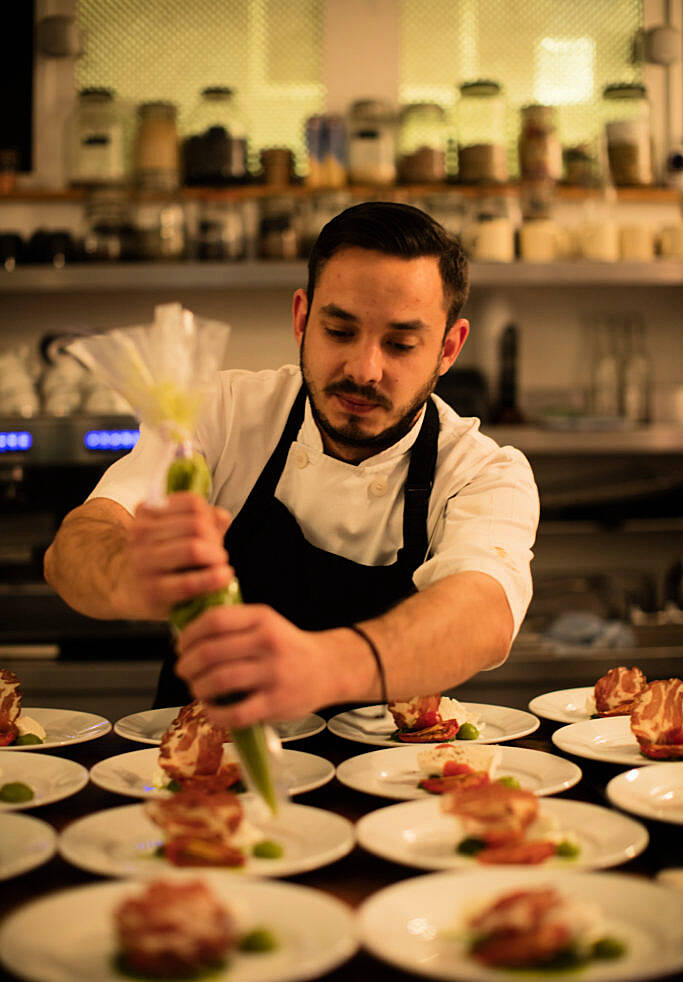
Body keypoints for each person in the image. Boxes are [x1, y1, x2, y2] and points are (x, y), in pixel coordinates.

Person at [44, 201, 539, 731]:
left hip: (389, 781)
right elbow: (80, 542)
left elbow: (483, 611)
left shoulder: (481, 470)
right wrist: (125, 575)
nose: (363, 370)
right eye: (340, 332)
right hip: (203, 763)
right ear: (302, 319)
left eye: (400, 344)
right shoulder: (224, 412)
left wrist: (325, 666)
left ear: (448, 349)